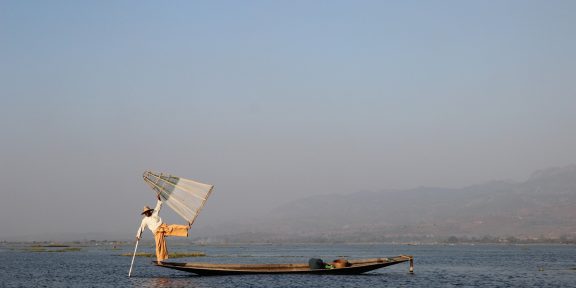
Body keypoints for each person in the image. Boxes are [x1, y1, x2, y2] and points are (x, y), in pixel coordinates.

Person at [136, 194, 190, 262]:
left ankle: (186, 227)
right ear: (144, 213)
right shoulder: (144, 220)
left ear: (150, 211)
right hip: (157, 232)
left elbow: (158, 206)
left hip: (163, 227)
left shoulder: (154, 213)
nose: (147, 213)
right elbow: (141, 228)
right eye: (145, 212)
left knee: (173, 227)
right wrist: (138, 235)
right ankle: (159, 260)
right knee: (159, 245)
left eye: (147, 211)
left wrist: (159, 199)